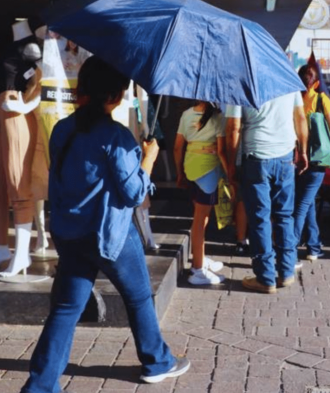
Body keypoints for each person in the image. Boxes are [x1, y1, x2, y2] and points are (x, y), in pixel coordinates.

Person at [21, 57, 189, 393]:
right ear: (115, 95)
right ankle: (157, 362)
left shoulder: (63, 129)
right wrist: (148, 160)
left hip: (71, 232)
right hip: (109, 234)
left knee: (66, 309)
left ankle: (39, 387)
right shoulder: (116, 136)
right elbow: (132, 194)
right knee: (139, 298)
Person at [225, 92, 309, 294]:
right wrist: (304, 150)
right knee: (284, 215)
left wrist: (230, 163)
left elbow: (233, 128)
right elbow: (300, 118)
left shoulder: (241, 83)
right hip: (285, 158)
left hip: (256, 158)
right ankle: (286, 272)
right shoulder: (287, 79)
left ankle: (265, 277)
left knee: (260, 218)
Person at [173, 101, 227, 285]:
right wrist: (231, 175)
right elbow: (221, 151)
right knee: (200, 220)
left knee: (200, 219)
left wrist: (179, 172)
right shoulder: (218, 118)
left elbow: (177, 147)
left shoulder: (186, 114)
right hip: (208, 173)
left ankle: (200, 256)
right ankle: (197, 269)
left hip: (190, 169)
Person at [295, 64, 330, 261]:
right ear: (317, 83)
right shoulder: (322, 99)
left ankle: (313, 246)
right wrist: (325, 145)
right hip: (317, 160)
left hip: (296, 157)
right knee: (303, 204)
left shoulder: (294, 101)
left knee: (308, 202)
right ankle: (291, 247)